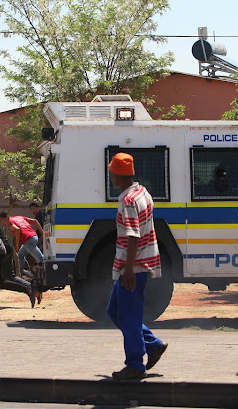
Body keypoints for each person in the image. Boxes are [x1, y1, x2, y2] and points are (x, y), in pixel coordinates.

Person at [105, 153, 167, 381]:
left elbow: (133, 235)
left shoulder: (128, 201)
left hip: (134, 266)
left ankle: (135, 365)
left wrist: (129, 268)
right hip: (137, 263)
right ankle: (152, 345)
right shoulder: (142, 192)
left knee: (128, 316)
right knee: (115, 312)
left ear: (116, 175)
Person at [0, 211, 44, 277]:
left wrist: (17, 244)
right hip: (34, 237)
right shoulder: (19, 217)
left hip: (28, 240)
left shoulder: (7, 222)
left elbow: (17, 230)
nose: (1, 222)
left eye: (0, 220)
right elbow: (35, 221)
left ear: (3, 218)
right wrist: (42, 232)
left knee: (41, 259)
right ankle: (19, 274)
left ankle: (48, 273)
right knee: (20, 255)